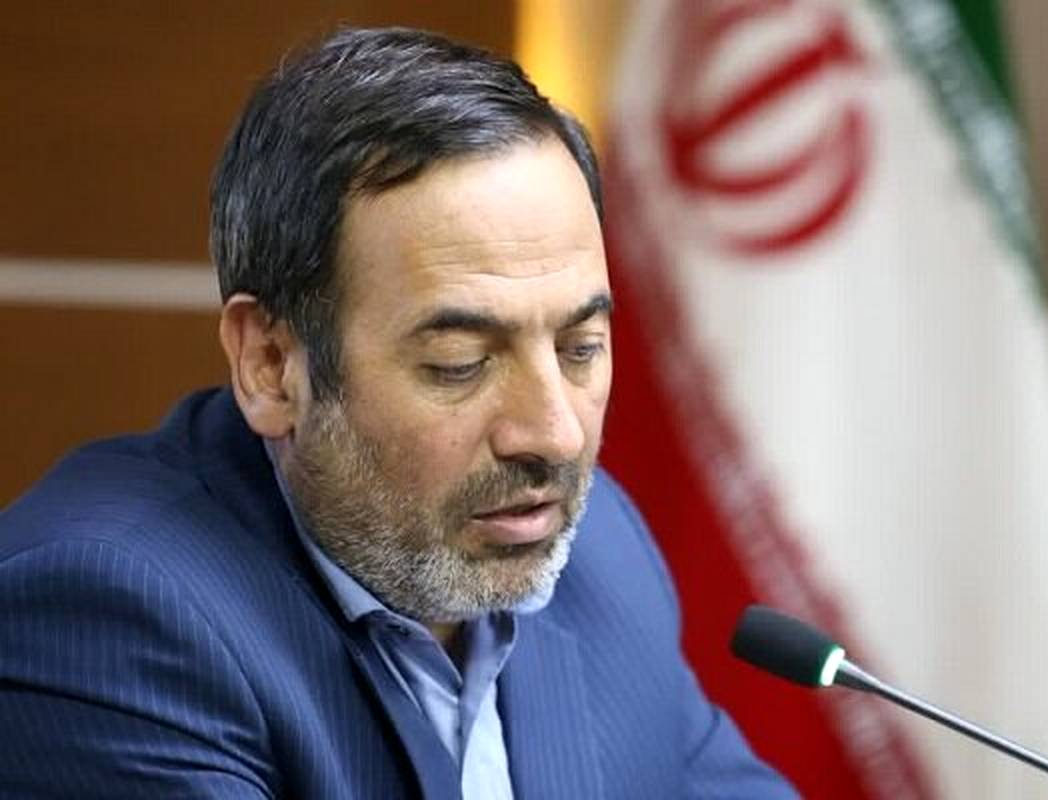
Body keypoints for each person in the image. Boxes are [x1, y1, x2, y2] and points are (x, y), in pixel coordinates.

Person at [0, 27, 797, 799]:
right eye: (460, 363)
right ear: (272, 365)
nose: (554, 434)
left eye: (580, 347)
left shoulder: (597, 552)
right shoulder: (106, 615)